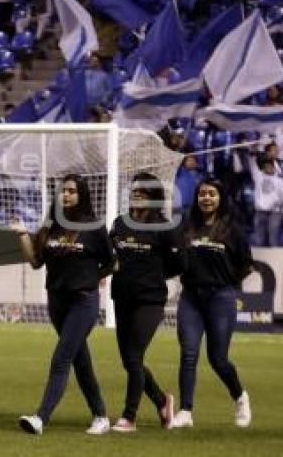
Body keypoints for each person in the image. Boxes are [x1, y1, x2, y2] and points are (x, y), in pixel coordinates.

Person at [14, 174, 113, 435]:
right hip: (57, 301)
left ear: (81, 195)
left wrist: (95, 278)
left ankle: (40, 418)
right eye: (63, 190)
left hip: (83, 302)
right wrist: (23, 234)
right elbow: (36, 262)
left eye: (71, 190)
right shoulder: (51, 225)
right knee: (80, 361)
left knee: (61, 358)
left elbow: (112, 262)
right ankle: (101, 416)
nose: (66, 195)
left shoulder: (94, 227)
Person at [171, 178, 252, 429]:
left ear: (220, 198)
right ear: (196, 198)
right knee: (189, 353)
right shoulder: (186, 226)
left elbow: (246, 265)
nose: (206, 198)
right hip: (190, 298)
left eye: (212, 194)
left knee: (218, 359)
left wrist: (225, 282)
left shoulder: (232, 229)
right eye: (202, 194)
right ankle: (185, 411)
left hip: (221, 299)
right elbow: (176, 258)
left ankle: (240, 397)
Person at [108, 173, 179, 432]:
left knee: (135, 356)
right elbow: (110, 253)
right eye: (134, 191)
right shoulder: (120, 223)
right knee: (129, 361)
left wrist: (155, 276)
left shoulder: (165, 227)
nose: (136, 195)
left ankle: (129, 417)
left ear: (154, 198)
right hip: (122, 297)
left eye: (143, 192)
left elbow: (179, 263)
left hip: (150, 300)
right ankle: (162, 401)